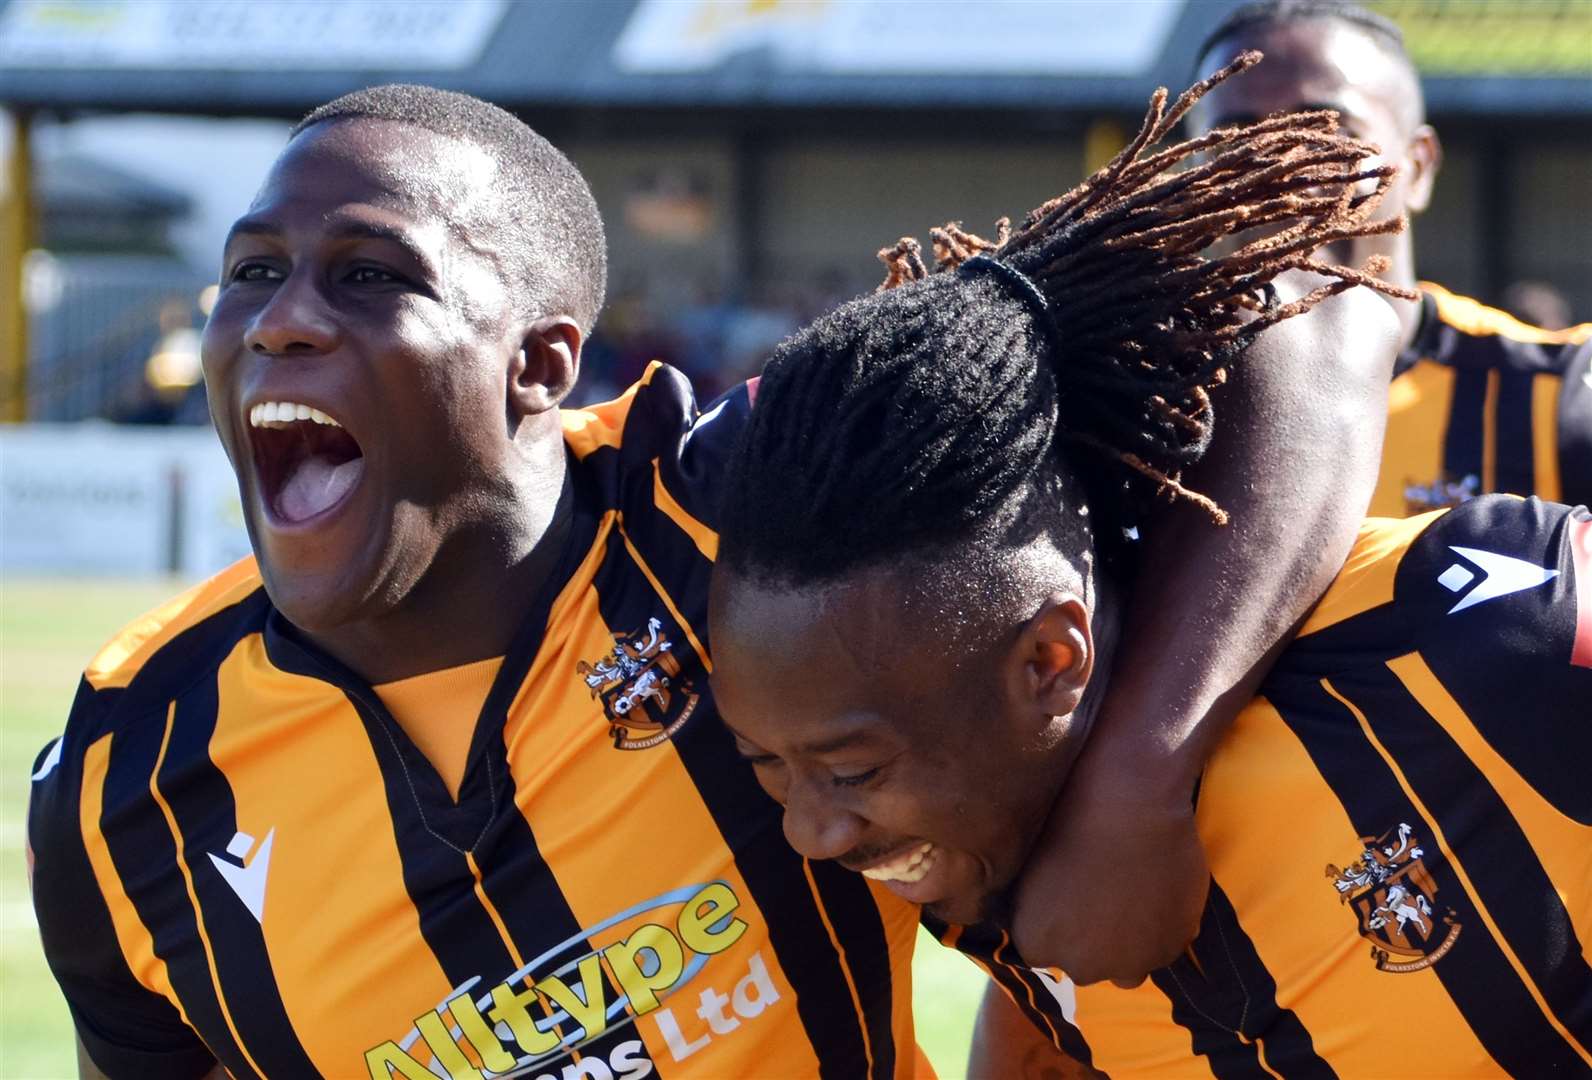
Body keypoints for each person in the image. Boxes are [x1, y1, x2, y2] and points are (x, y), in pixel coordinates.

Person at [29, 69, 1389, 1076]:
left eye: (371, 275)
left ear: (543, 365)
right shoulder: (118, 777)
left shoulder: (730, 506)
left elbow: (1307, 319)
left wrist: (1142, 771)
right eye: (249, 272)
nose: (279, 323)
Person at [704, 55, 1592, 1080]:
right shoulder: (967, 835)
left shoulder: (1474, 638)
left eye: (849, 771)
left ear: (1048, 661)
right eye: (768, 768)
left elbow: (1319, 319)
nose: (809, 830)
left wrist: (1140, 777)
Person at [1188, 0, 1592, 517]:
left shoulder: (1553, 396)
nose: (1281, 165)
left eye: (1329, 133)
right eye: (1235, 139)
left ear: (1418, 167)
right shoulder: (1130, 403)